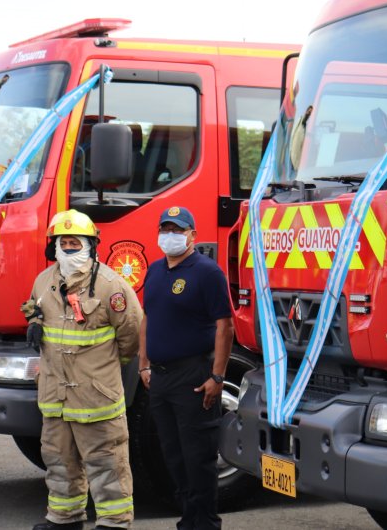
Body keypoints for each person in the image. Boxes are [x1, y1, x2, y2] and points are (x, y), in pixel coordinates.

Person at [23, 209, 143, 530]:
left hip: (96, 397)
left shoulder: (110, 286)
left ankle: (114, 523)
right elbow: (32, 305)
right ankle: (64, 519)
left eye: (76, 243)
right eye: (64, 243)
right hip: (55, 398)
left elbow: (132, 334)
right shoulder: (44, 281)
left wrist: (106, 369)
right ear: (54, 247)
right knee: (59, 462)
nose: (69, 249)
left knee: (107, 464)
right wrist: (33, 320)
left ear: (91, 245)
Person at [138, 206, 233, 530]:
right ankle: (188, 521)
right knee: (173, 457)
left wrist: (217, 376)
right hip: (160, 378)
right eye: (166, 229)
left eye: (178, 230)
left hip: (193, 376)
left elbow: (225, 326)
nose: (171, 236)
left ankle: (205, 524)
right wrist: (143, 364)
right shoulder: (153, 270)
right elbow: (147, 318)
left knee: (198, 459)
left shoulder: (207, 272)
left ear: (193, 235)